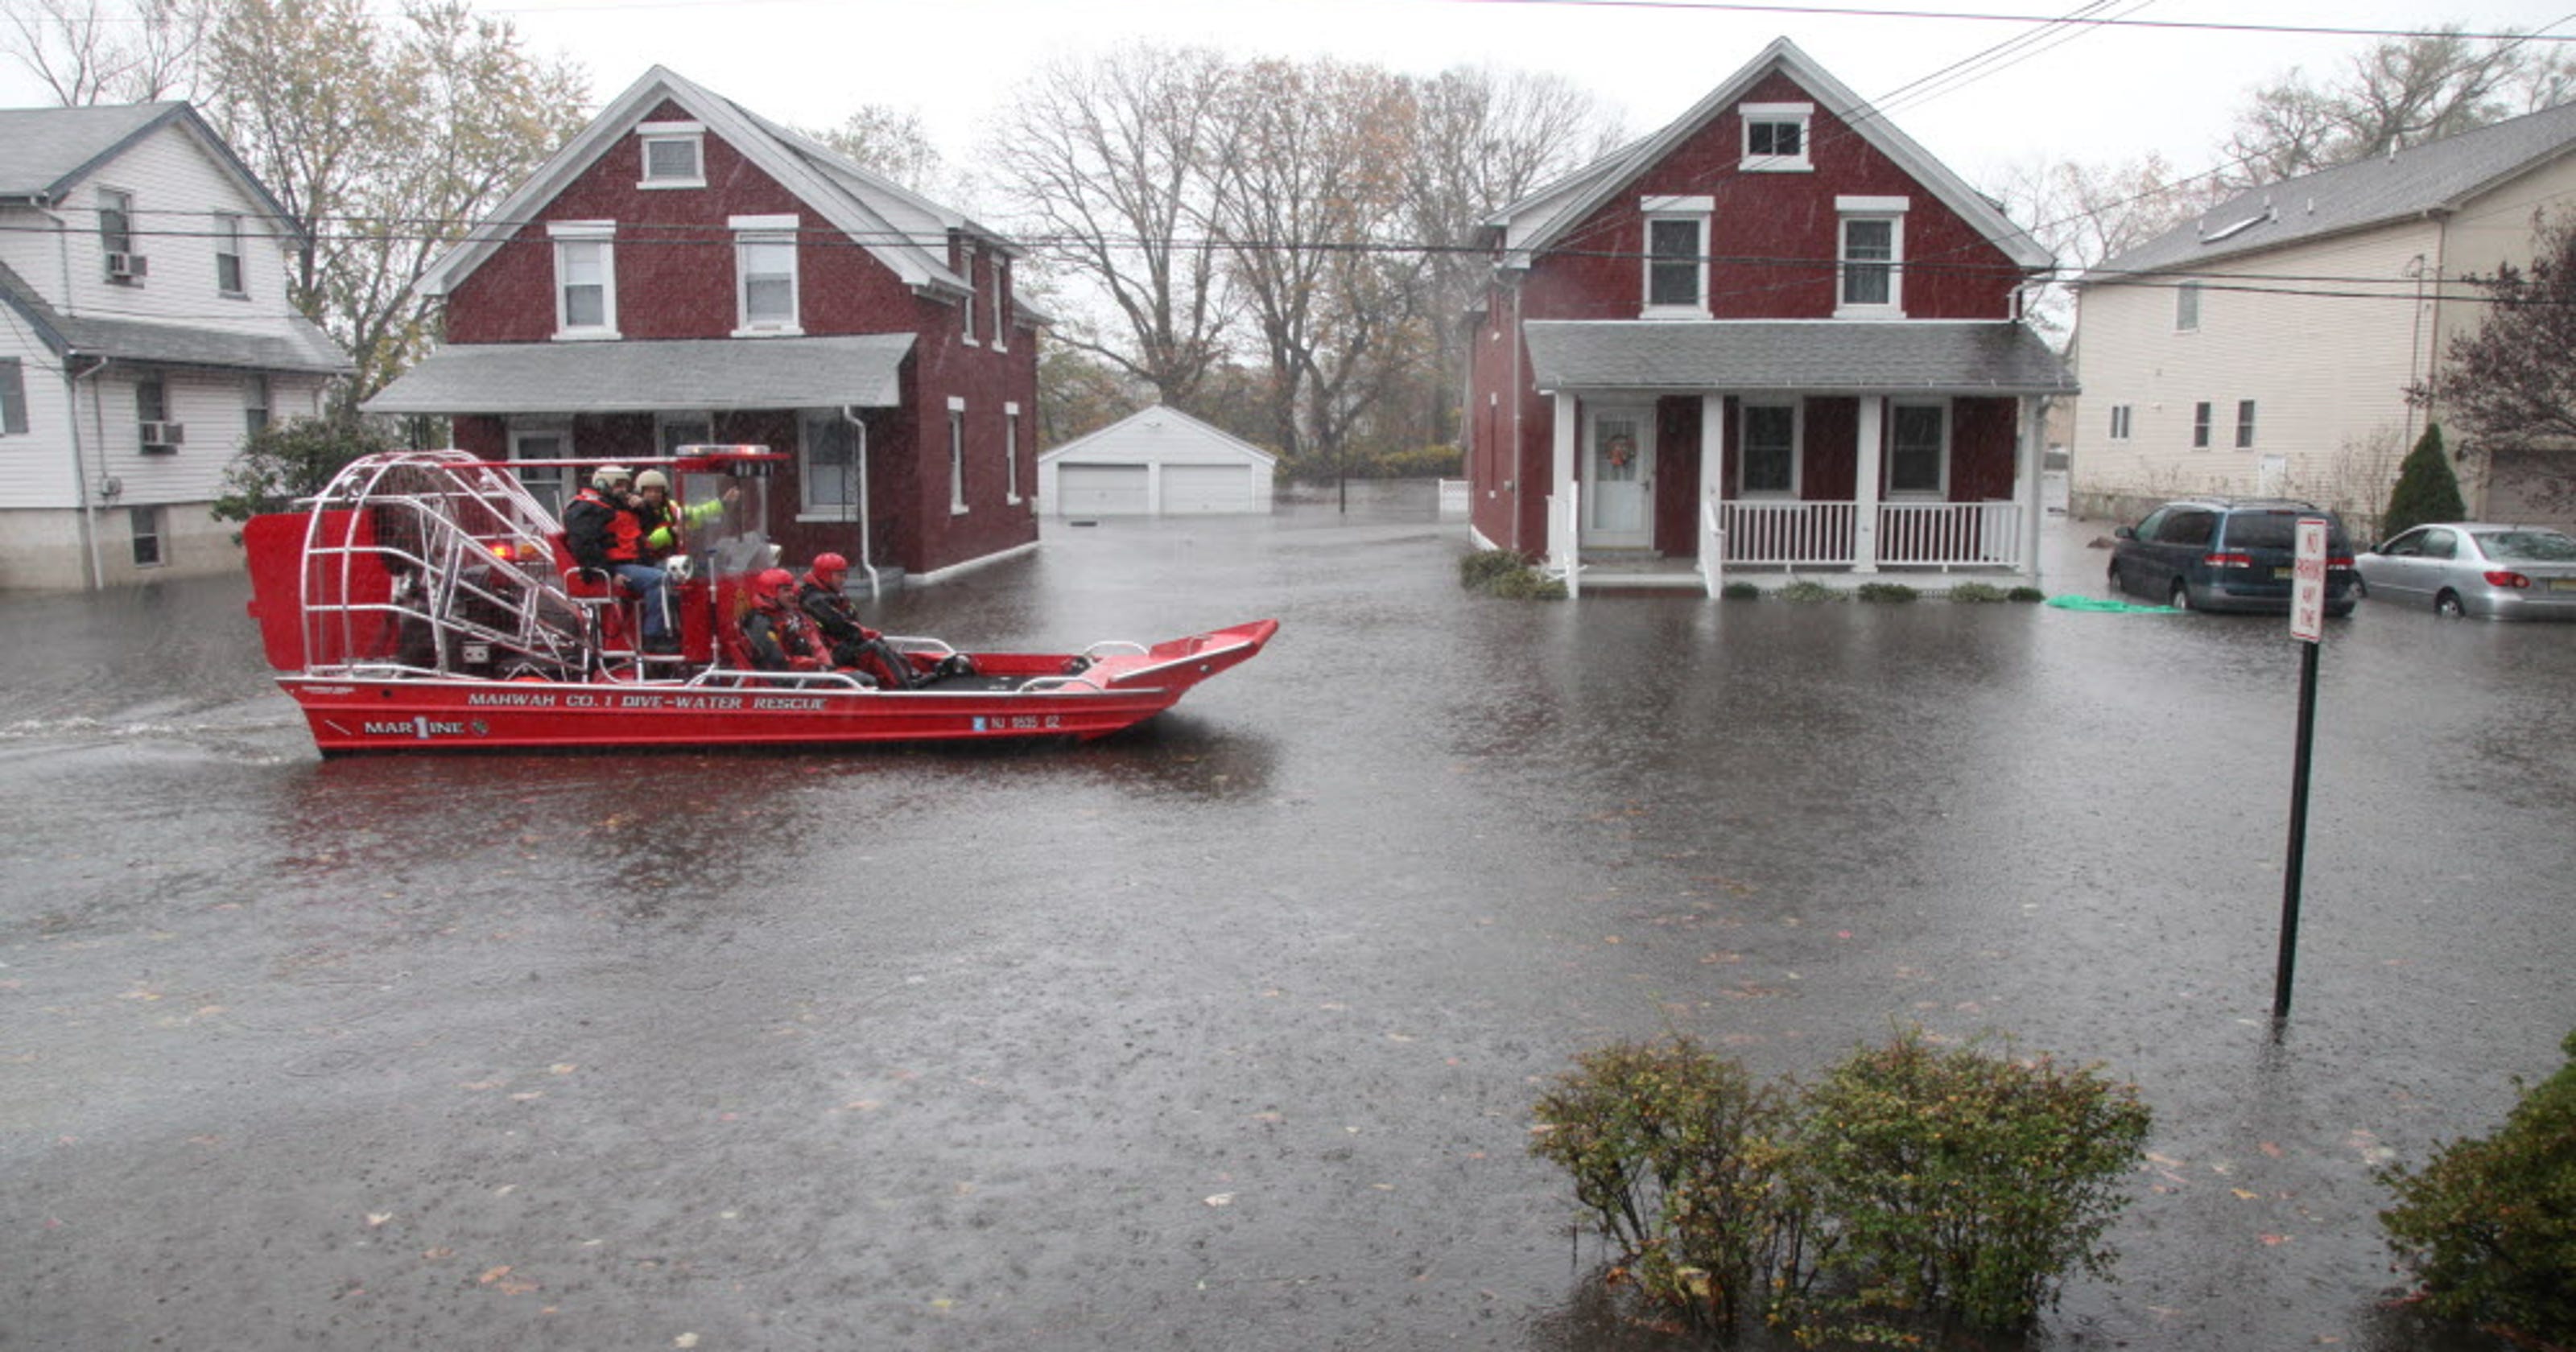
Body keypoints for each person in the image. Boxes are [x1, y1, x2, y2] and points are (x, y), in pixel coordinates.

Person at [564, 464, 675, 654]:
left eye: (626, 485)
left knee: (684, 572)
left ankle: (675, 629)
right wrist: (610, 573)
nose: (624, 490)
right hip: (614, 568)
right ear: (603, 484)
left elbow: (649, 527)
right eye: (619, 485)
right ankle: (654, 636)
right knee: (659, 579)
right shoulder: (586, 509)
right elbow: (585, 548)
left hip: (634, 562)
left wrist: (643, 508)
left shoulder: (617, 505)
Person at [795, 552, 921, 690]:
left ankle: (907, 674)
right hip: (831, 651)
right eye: (839, 575)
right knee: (873, 648)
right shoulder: (816, 601)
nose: (843, 579)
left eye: (845, 575)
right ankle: (904, 689)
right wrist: (863, 635)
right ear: (825, 575)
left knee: (875, 641)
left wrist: (866, 634)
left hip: (839, 645)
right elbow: (841, 627)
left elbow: (849, 624)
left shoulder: (832, 594)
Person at [634, 469, 739, 567]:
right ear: (641, 493)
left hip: (674, 557)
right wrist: (671, 532)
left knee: (710, 565)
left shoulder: (672, 507)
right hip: (650, 561)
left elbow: (698, 513)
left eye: (657, 491)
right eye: (649, 491)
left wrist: (723, 503)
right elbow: (645, 543)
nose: (654, 495)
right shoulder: (636, 512)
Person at [739, 567, 832, 674]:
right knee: (851, 680)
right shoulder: (759, 622)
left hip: (802, 674)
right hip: (782, 679)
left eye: (791, 589)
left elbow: (811, 641)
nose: (792, 595)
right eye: (786, 590)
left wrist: (824, 665)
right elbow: (776, 661)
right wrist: (813, 664)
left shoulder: (786, 615)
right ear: (770, 592)